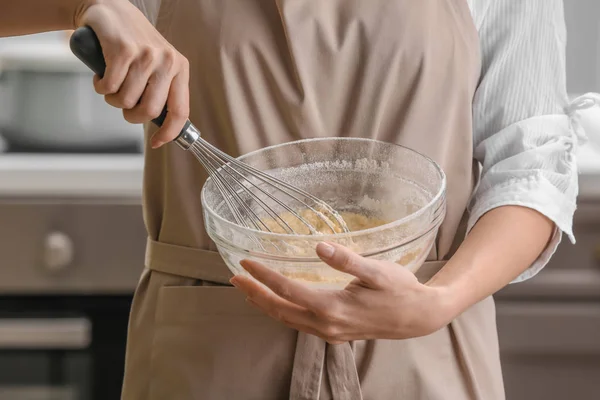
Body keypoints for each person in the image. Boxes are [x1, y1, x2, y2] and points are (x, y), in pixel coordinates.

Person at [2, 0, 595, 398]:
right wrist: (84, 4)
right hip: (209, 357)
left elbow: (530, 163)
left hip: (421, 347)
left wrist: (440, 299)